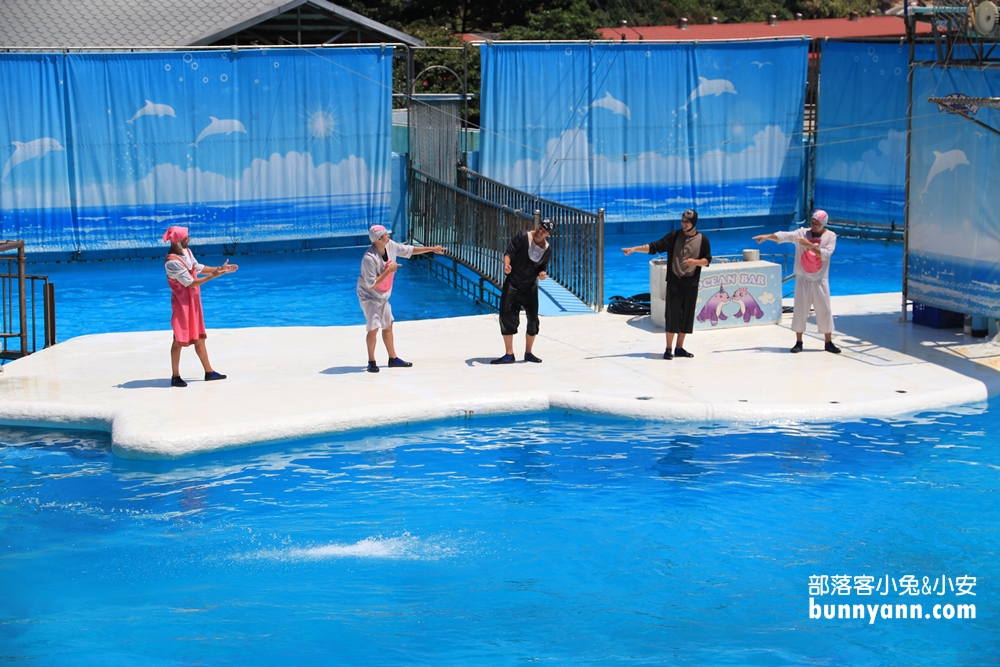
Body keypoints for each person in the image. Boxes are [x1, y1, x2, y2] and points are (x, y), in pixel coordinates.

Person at [622, 209, 711, 360]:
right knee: (672, 315)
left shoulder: (703, 240)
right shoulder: (674, 236)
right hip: (674, 282)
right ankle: (668, 348)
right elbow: (655, 246)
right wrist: (635, 249)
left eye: (687, 222)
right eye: (682, 221)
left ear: (693, 223)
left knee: (687, 316)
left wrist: (695, 262)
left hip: (691, 283)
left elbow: (707, 260)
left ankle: (680, 348)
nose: (683, 224)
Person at [358, 225, 446, 373]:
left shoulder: (391, 246)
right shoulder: (369, 258)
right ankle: (371, 361)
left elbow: (409, 250)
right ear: (379, 239)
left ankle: (393, 358)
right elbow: (371, 285)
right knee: (374, 328)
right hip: (369, 296)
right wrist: (388, 271)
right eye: (386, 235)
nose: (389, 236)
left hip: (383, 295)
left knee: (388, 324)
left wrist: (431, 249)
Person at [753, 209, 841, 354]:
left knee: (825, 310)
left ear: (823, 224)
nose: (813, 225)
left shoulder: (830, 236)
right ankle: (798, 341)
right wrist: (767, 236)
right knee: (800, 310)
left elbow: (826, 254)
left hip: (820, 280)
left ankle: (828, 342)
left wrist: (811, 245)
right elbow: (784, 236)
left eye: (817, 224)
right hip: (803, 279)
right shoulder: (802, 234)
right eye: (812, 222)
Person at [163, 226, 238, 387]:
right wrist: (213, 276)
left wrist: (220, 269)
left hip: (194, 302)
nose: (188, 240)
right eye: (186, 238)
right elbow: (190, 283)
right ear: (177, 241)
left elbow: (197, 268)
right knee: (178, 338)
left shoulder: (186, 252)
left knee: (200, 337)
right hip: (182, 304)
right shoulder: (172, 262)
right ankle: (175, 376)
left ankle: (209, 371)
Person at [491, 218, 554, 364]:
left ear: (548, 234)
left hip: (530, 287)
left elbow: (542, 267)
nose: (540, 230)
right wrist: (507, 266)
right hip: (512, 284)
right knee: (506, 317)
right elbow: (509, 253)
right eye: (540, 227)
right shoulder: (523, 236)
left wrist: (542, 274)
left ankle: (529, 353)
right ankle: (509, 354)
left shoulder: (547, 249)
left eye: (544, 230)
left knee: (533, 321)